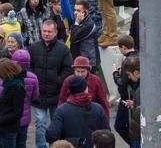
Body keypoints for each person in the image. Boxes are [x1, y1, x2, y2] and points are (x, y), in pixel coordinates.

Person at [28, 20, 73, 148]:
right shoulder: (34, 48)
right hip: (39, 94)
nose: (46, 34)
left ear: (55, 32)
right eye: (44, 31)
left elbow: (68, 69)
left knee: (56, 123)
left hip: (56, 94)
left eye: (49, 32)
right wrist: (34, 80)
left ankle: (56, 146)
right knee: (40, 123)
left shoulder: (63, 49)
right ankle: (41, 146)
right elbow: (29, 67)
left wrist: (58, 81)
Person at [45, 77, 107, 147]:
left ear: (70, 90)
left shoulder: (62, 110)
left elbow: (51, 135)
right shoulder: (98, 108)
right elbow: (106, 133)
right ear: (86, 89)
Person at [57, 56, 108, 120]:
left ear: (88, 70)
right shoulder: (68, 81)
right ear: (74, 71)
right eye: (78, 71)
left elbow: (103, 101)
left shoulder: (96, 80)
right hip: (73, 116)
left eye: (83, 71)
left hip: (92, 115)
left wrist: (106, 120)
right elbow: (62, 100)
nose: (80, 74)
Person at [0, 60, 25, 148]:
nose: (1, 78)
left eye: (2, 75)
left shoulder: (17, 87)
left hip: (9, 127)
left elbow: (18, 113)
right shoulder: (9, 84)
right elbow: (6, 102)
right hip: (3, 125)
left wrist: (1, 119)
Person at [67, 0, 100, 69]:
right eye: (75, 10)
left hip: (89, 63)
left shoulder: (88, 24)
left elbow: (73, 38)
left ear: (86, 12)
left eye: (78, 10)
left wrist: (76, 23)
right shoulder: (80, 22)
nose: (75, 13)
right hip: (79, 60)